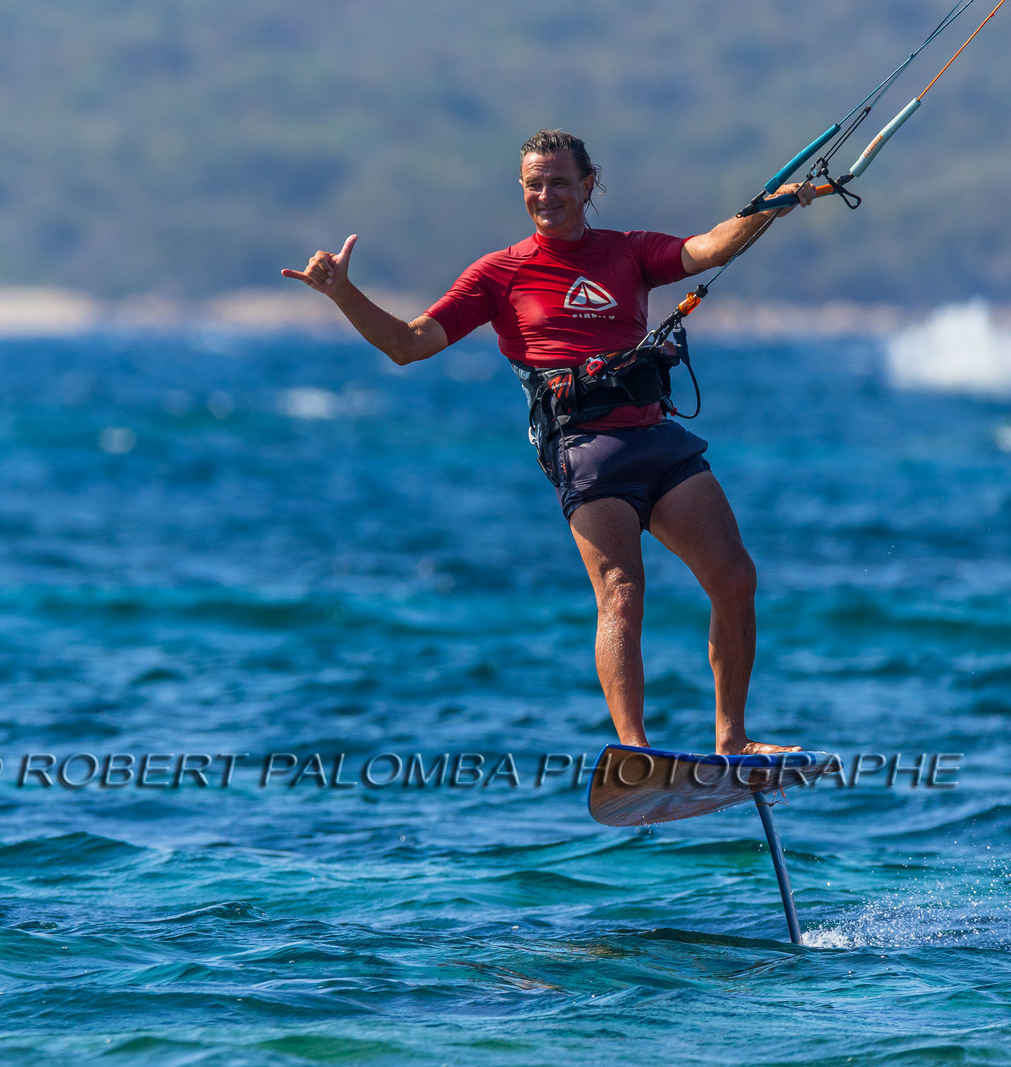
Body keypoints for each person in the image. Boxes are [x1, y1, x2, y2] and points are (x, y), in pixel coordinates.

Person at [282, 130, 811, 755]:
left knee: (735, 576)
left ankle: (733, 740)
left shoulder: (629, 251)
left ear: (588, 186)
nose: (545, 194)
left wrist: (769, 205)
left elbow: (706, 249)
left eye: (559, 182)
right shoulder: (498, 274)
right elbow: (409, 343)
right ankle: (637, 751)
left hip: (656, 439)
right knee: (622, 590)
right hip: (584, 450)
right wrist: (343, 292)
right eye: (534, 184)